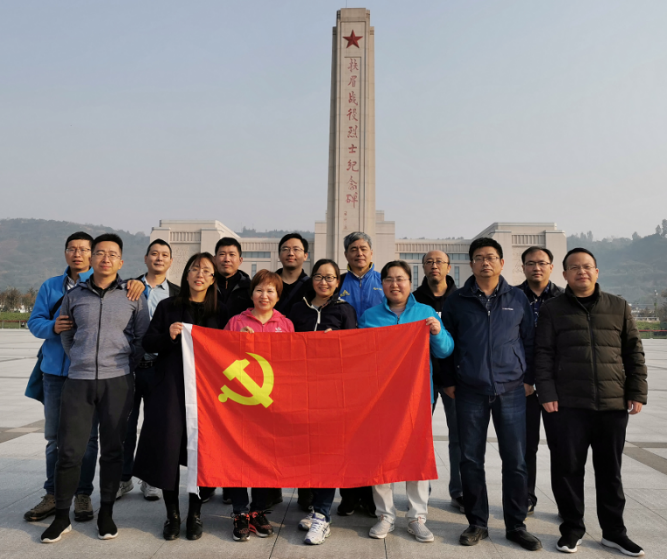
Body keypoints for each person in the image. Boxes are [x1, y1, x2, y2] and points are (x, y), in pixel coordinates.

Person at [535, 247, 648, 556]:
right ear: (565, 274)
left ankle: (614, 532)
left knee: (610, 471)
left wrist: (637, 391)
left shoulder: (618, 306)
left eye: (587, 266)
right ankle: (572, 528)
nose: (581, 271)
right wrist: (547, 393)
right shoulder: (552, 309)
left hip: (612, 405)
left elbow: (633, 352)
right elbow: (543, 354)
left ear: (597, 272)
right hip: (567, 406)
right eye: (574, 267)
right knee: (567, 469)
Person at [40, 233, 149, 544]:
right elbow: (66, 333)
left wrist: (125, 361)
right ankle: (62, 517)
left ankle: (106, 514)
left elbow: (141, 337)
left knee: (112, 450)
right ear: (92, 258)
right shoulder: (74, 295)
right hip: (79, 381)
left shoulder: (132, 295)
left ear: (121, 262)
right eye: (100, 253)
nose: (105, 258)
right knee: (69, 450)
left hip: (118, 381)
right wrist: (80, 358)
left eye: (112, 254)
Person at [441, 237, 542, 551]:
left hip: (511, 390)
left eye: (491, 257)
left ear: (501, 262)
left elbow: (529, 341)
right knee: (470, 459)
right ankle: (477, 523)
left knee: (516, 460)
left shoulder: (517, 298)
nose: (486, 262)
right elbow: (446, 343)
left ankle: (516, 525)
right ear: (471, 263)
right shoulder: (457, 300)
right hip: (469, 390)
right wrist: (449, 380)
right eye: (479, 258)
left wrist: (529, 378)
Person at [358, 260, 453, 543]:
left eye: (400, 279)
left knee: (416, 454)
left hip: (417, 396)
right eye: (389, 279)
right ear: (382, 284)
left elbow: (446, 350)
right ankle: (385, 515)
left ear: (410, 283)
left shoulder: (424, 312)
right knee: (381, 455)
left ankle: (417, 516)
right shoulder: (370, 316)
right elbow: (359, 356)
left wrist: (437, 332)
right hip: (380, 398)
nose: (395, 284)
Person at [133, 252, 226, 541]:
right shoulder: (168, 306)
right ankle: (172, 515)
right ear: (186, 274)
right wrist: (169, 335)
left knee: (201, 452)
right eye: (195, 269)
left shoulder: (220, 312)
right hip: (170, 389)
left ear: (213, 279)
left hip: (207, 393)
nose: (200, 275)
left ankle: (195, 514)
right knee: (168, 450)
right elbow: (148, 341)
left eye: (207, 271)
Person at [25, 232, 99, 524]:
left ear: (93, 254)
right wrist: (53, 327)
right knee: (54, 437)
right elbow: (34, 322)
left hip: (88, 374)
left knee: (88, 438)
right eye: (72, 249)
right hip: (55, 374)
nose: (77, 254)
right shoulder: (50, 286)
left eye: (83, 249)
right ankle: (52, 494)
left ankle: (82, 494)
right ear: (65, 252)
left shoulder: (102, 284)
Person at [288, 259, 357, 545]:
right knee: (308, 452)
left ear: (338, 282)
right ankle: (316, 506)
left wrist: (337, 341)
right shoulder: (297, 309)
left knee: (327, 452)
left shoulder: (345, 310)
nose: (324, 282)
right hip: (300, 390)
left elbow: (355, 351)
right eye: (319, 276)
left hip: (332, 393)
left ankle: (323, 516)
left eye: (330, 277)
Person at [224, 269, 294, 542]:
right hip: (240, 402)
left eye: (270, 291)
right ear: (251, 293)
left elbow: (292, 363)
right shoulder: (235, 322)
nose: (264, 296)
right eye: (259, 290)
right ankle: (239, 512)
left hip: (271, 403)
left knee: (266, 456)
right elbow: (218, 357)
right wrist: (236, 343)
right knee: (237, 455)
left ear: (278, 296)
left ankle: (258, 510)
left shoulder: (285, 324)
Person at [117, 239, 180, 501]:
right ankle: (123, 478)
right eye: (154, 253)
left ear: (171, 261)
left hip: (160, 370)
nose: (159, 258)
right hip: (129, 367)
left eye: (164, 255)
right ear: (145, 258)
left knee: (156, 426)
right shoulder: (127, 288)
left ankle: (150, 480)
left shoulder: (177, 294)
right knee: (125, 426)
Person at [412, 250, 463, 513]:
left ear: (448, 267)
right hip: (422, 379)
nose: (434, 266)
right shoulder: (414, 300)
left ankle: (460, 491)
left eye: (439, 262)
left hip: (456, 377)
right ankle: (422, 491)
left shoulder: (462, 298)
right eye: (429, 262)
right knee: (420, 436)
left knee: (460, 437)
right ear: (423, 268)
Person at [336, 231, 383, 516]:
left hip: (377, 368)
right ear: (346, 254)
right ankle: (349, 496)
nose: (359, 253)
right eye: (353, 249)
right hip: (345, 368)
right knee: (346, 435)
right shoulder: (338, 283)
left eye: (363, 248)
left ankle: (371, 496)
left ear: (371, 252)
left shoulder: (384, 281)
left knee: (372, 435)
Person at [516, 246, 563, 516]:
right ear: (523, 267)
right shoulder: (512, 297)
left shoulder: (564, 298)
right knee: (525, 446)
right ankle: (525, 497)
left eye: (542, 263)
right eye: (531, 263)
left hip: (557, 385)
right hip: (522, 385)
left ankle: (566, 502)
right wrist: (525, 378)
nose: (537, 268)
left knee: (562, 446)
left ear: (551, 267)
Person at [214, 237, 252, 317]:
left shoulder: (251, 288)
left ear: (240, 260)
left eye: (232, 255)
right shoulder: (206, 286)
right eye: (222, 254)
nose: (227, 259)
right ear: (214, 259)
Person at [275, 232, 310, 316]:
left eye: (296, 249)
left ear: (305, 256)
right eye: (285, 249)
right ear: (279, 255)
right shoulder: (268, 283)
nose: (290, 253)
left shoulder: (312, 286)